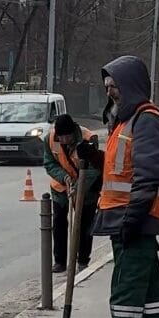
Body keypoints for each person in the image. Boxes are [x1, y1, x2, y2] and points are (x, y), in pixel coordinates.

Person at [76, 55, 159, 318]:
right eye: (106, 86)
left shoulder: (146, 120)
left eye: (114, 86)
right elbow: (122, 166)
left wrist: (132, 219)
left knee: (127, 288)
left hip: (134, 217)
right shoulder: (126, 121)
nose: (109, 91)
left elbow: (147, 175)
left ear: (131, 86)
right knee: (148, 289)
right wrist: (95, 157)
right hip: (129, 216)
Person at [43, 113, 101, 273]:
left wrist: (78, 187)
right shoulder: (51, 139)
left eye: (66, 137)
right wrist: (64, 177)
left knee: (84, 224)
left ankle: (82, 260)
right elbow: (49, 163)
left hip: (86, 187)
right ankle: (60, 261)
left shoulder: (88, 139)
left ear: (73, 132)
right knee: (59, 222)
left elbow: (94, 168)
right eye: (60, 137)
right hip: (61, 187)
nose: (62, 140)